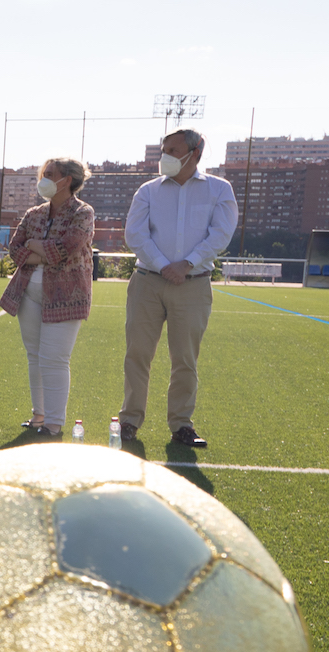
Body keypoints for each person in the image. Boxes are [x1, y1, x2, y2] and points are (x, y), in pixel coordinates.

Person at [120, 127, 238, 448]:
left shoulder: (219, 190)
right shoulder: (148, 190)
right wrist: (163, 265)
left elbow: (220, 235)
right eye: (164, 150)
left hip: (194, 285)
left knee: (185, 359)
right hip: (147, 282)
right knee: (138, 354)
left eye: (173, 150)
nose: (165, 157)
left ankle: (181, 425)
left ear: (195, 152)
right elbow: (135, 235)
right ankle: (129, 421)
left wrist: (185, 265)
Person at [0, 158, 95, 438]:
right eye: (44, 173)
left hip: (67, 295)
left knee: (54, 358)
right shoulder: (34, 213)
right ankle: (38, 415)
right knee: (35, 356)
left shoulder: (83, 212)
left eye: (50, 174)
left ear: (68, 180)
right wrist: (39, 250)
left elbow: (71, 246)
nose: (44, 178)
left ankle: (54, 423)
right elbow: (14, 247)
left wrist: (35, 247)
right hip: (28, 292)